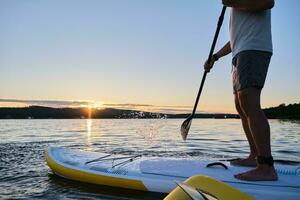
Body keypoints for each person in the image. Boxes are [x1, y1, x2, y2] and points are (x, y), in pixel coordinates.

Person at [204, 0, 277, 181]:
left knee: (250, 104)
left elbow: (268, 2)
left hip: (254, 47)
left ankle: (266, 166)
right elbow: (235, 38)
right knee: (241, 106)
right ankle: (254, 156)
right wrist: (215, 57)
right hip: (240, 51)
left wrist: (232, 2)